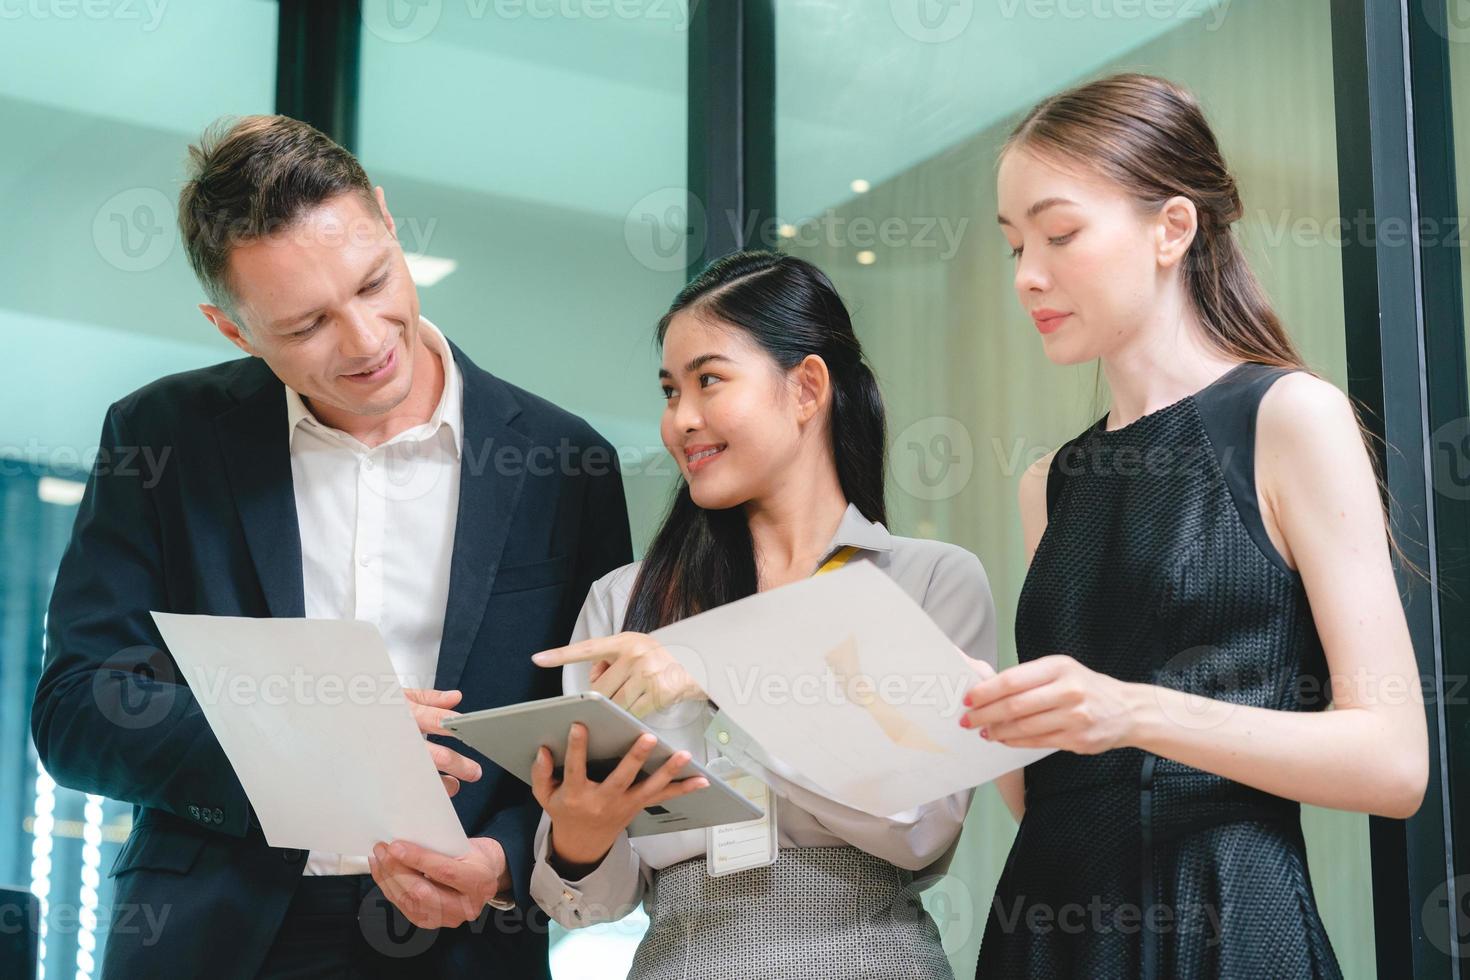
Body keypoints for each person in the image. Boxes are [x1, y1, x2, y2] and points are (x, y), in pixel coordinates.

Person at [30, 114, 631, 977]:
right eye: (306, 325)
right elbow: (77, 711)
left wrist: (501, 861)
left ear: (387, 220)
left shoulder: (565, 461)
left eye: (375, 281)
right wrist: (312, 732)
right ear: (233, 329)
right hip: (212, 934)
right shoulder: (162, 437)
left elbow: (592, 732)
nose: (366, 341)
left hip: (468, 941)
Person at [959, 74, 1429, 978]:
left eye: (1060, 235)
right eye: (1015, 244)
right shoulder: (1050, 484)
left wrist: (1130, 710)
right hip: (1049, 932)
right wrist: (986, 723)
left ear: (1173, 228)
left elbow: (1393, 761)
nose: (1029, 275)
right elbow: (1062, 794)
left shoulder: (1288, 416)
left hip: (1223, 924)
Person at [522, 250, 998, 979]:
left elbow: (920, 831)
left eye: (708, 381)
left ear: (806, 387)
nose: (681, 419)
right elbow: (590, 899)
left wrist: (721, 673)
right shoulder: (624, 604)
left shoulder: (929, 581)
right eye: (669, 390)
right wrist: (580, 836)